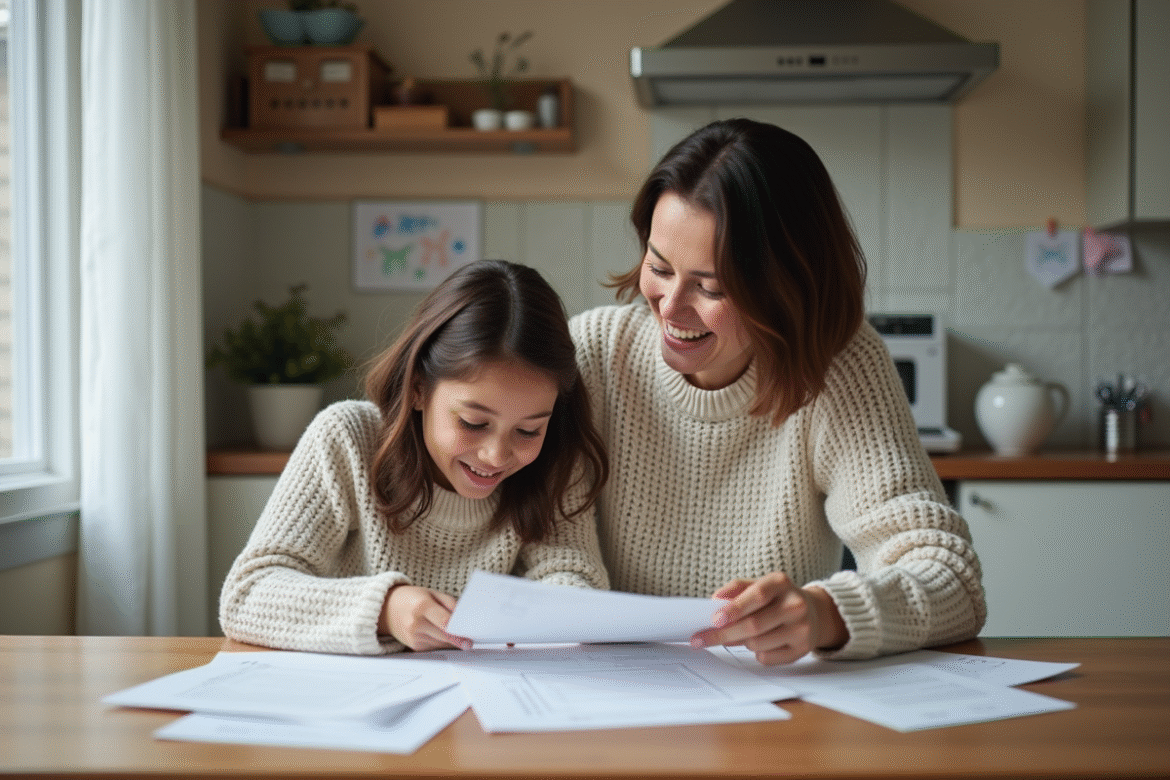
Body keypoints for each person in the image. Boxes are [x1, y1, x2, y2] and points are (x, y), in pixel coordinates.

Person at [570, 118, 986, 665]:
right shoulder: (595, 352)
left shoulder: (834, 366)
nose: (670, 307)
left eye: (711, 287)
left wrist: (824, 613)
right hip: (609, 696)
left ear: (785, 287)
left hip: (773, 712)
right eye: (658, 266)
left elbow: (953, 580)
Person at [220, 260, 610, 655]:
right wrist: (386, 609)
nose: (496, 455)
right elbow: (247, 594)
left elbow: (575, 578)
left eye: (529, 430)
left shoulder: (555, 460)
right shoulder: (348, 439)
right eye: (474, 422)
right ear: (419, 388)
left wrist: (555, 612)